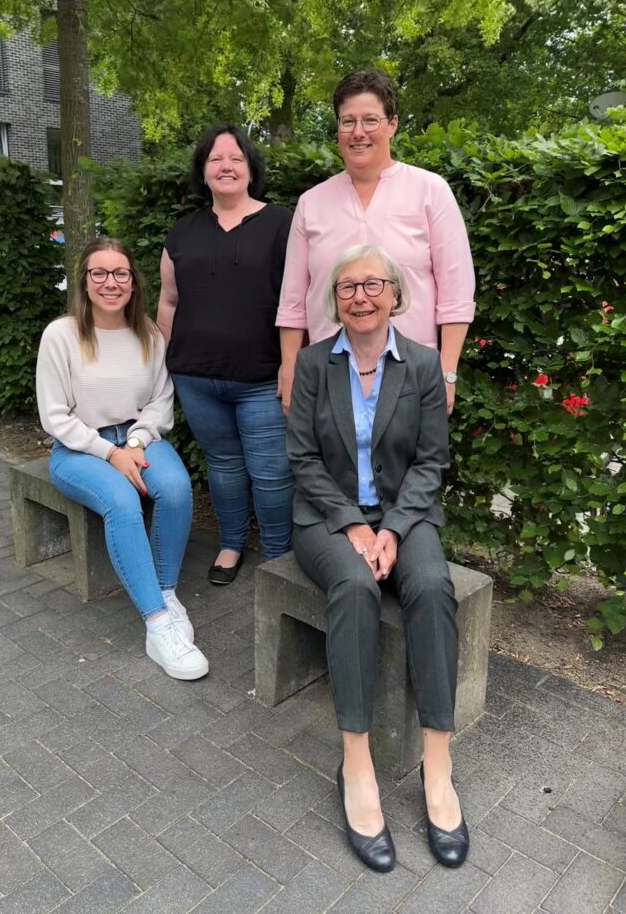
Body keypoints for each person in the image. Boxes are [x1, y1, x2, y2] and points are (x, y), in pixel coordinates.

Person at [286, 244, 468, 872]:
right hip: (327, 518)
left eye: (372, 285)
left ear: (395, 294)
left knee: (432, 588)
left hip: (403, 516)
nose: (359, 296)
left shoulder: (423, 364)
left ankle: (437, 766)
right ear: (334, 300)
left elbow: (431, 461)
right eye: (347, 287)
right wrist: (352, 526)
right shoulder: (314, 364)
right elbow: (302, 458)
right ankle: (356, 764)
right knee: (355, 588)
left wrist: (391, 527)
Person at [36, 237, 209, 681]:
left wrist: (134, 443)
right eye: (99, 273)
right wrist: (110, 453)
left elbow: (161, 400)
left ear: (133, 282)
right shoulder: (61, 335)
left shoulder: (147, 333)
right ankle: (158, 626)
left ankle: (166, 593)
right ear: (84, 281)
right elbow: (54, 417)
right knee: (123, 502)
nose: (110, 282)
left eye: (120, 273)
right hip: (79, 448)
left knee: (175, 488)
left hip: (136, 438)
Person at [277, 68, 475, 417]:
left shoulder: (430, 192)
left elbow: (456, 294)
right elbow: (293, 301)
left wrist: (446, 373)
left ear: (392, 124)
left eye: (370, 120)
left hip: (411, 377)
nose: (358, 132)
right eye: (348, 121)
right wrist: (291, 367)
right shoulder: (311, 203)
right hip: (328, 377)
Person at [156, 124, 294, 585]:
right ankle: (231, 544)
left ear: (251, 170)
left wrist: (293, 363)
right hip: (195, 379)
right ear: (203, 171)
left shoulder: (282, 224)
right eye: (215, 159)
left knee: (271, 474)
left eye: (236, 158)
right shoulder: (182, 231)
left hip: (262, 379)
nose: (226, 166)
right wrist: (159, 366)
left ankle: (277, 560)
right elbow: (168, 301)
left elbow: (298, 302)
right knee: (224, 467)